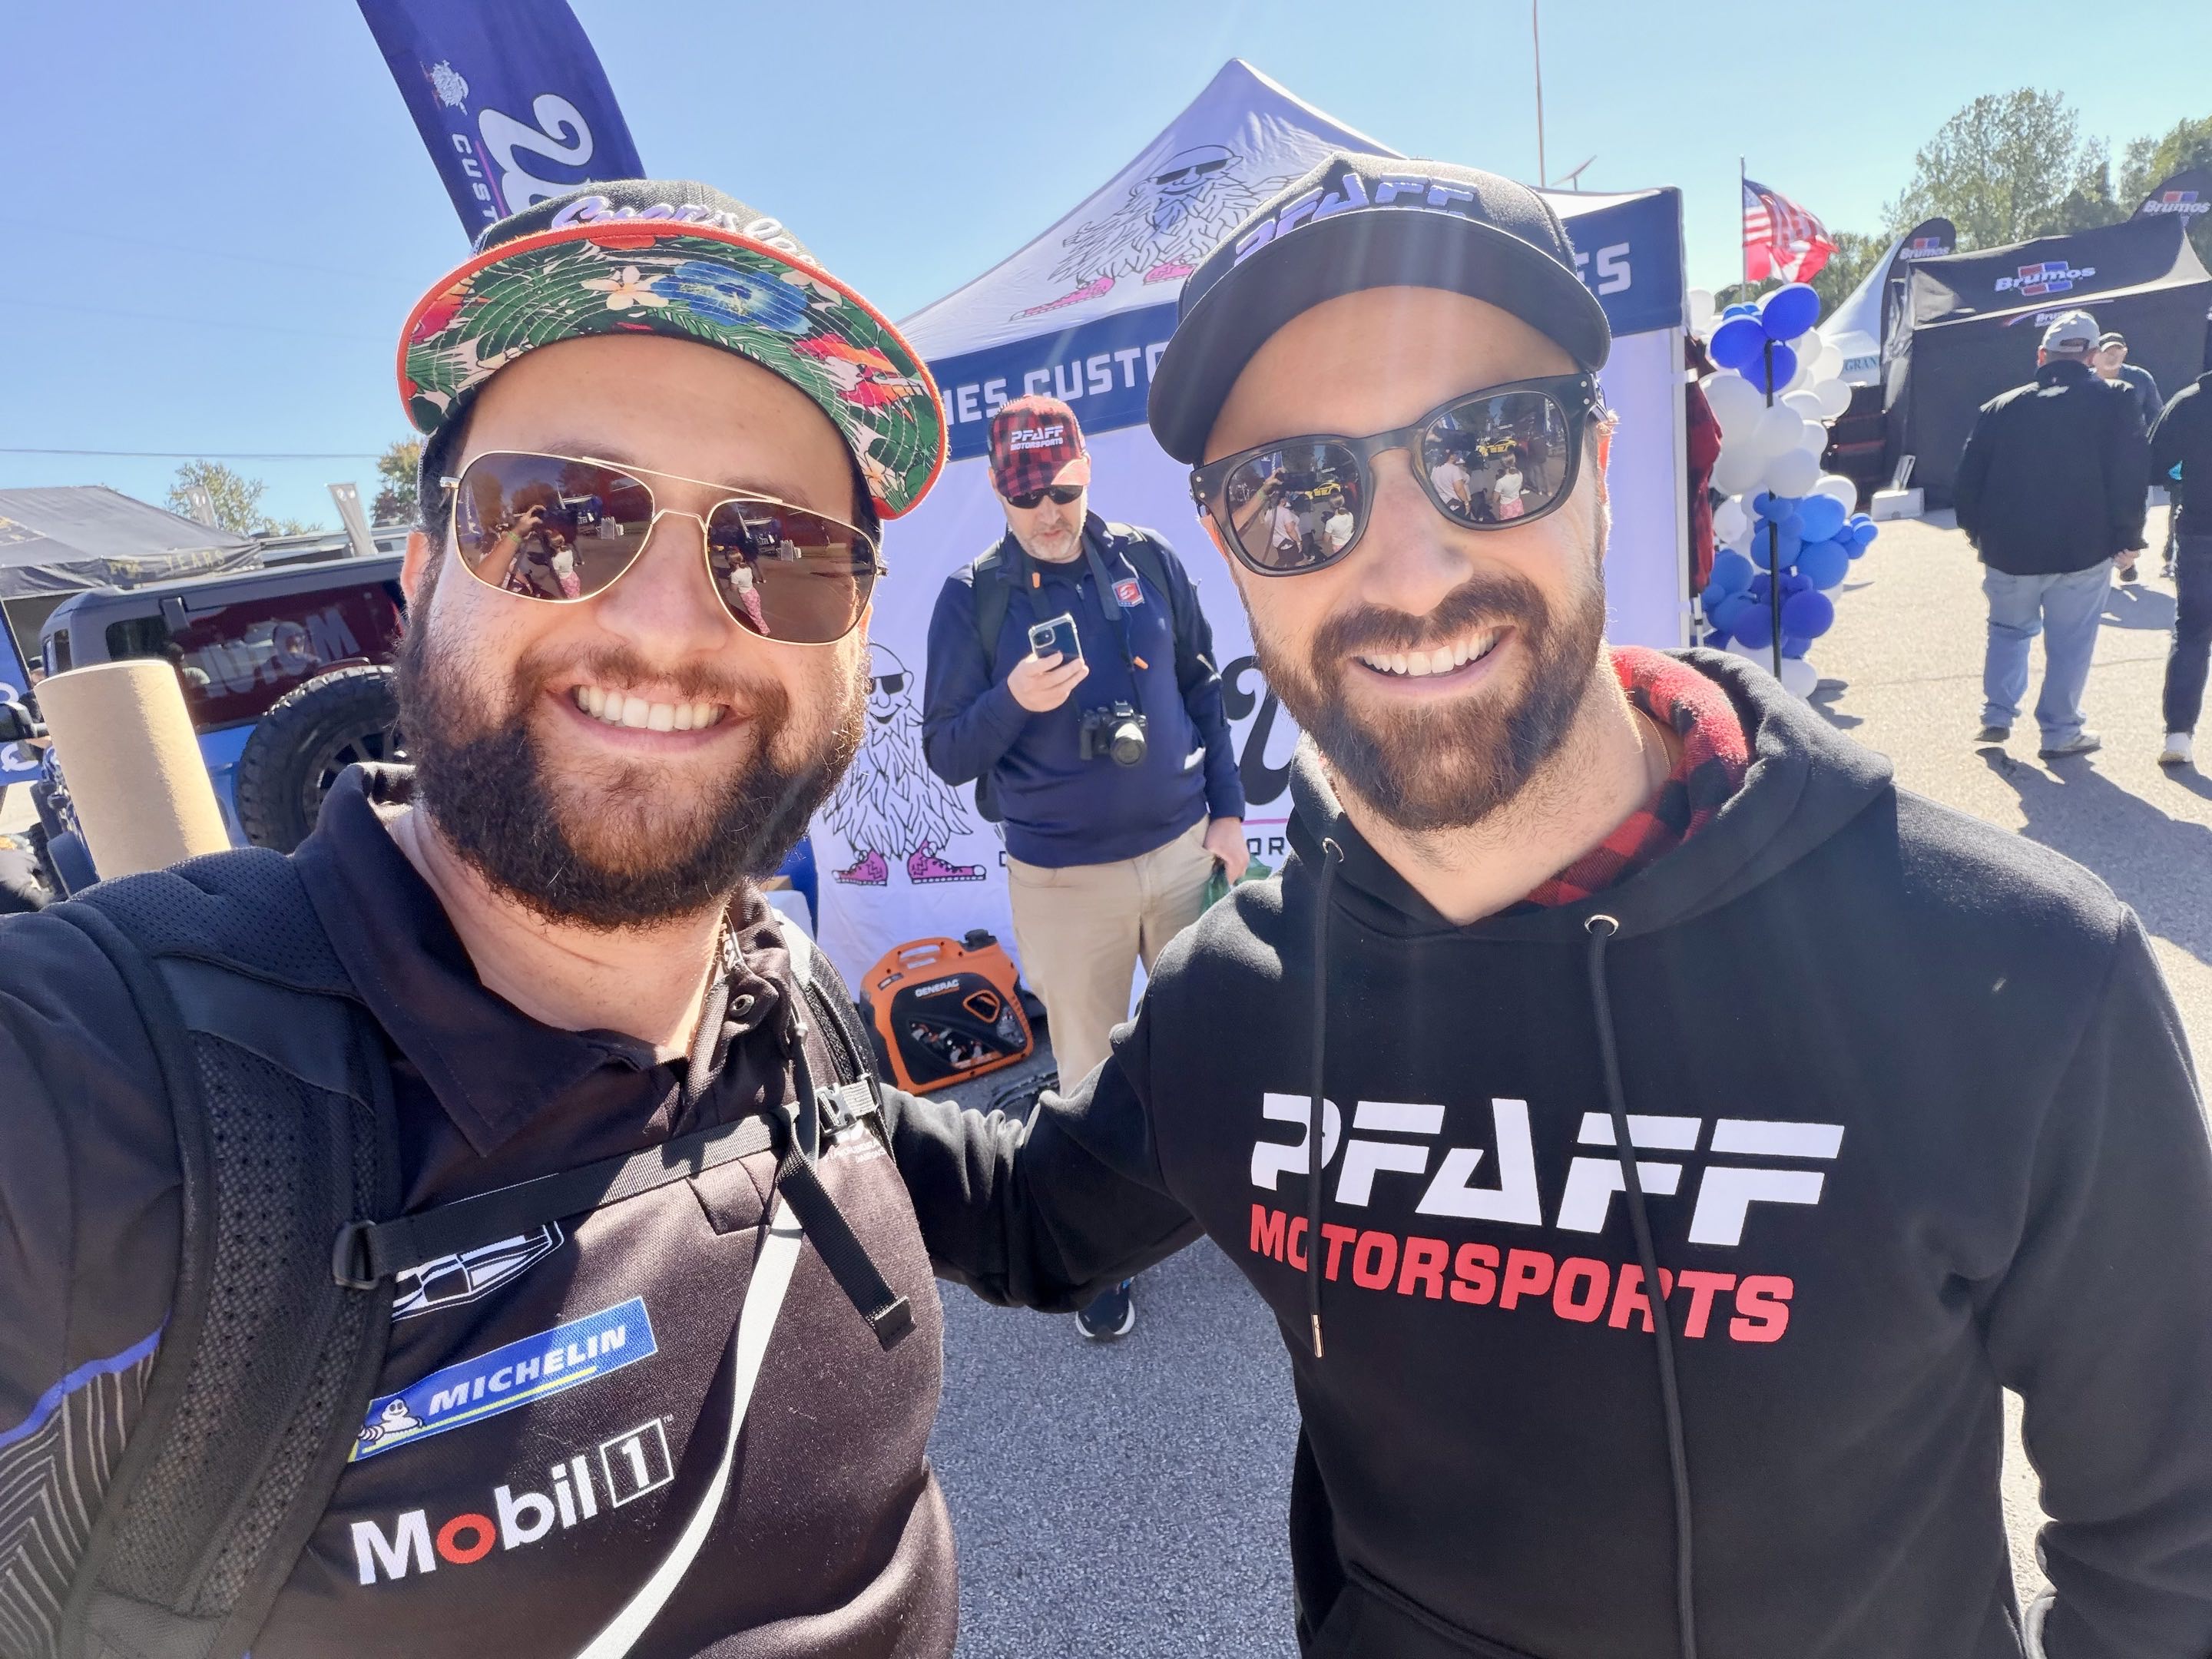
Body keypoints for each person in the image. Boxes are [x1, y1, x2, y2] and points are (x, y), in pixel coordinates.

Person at [889, 153, 2212, 1656]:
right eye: (1295, 491)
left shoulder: (2016, 970)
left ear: (1604, 458)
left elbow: (2173, 1538)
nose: (1407, 559)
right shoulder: (1232, 1002)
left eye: (1490, 445)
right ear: (1232, 553)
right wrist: (720, 1045)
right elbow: (1023, 1223)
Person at [0, 180, 971, 1657]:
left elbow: (1035, 1194)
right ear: (419, 570)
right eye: (558, 520)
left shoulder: (790, 1003)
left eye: (778, 551)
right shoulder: (102, 1091)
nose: (663, 626)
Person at [921, 394, 1244, 1343]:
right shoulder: (973, 597)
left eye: (1062, 490)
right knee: (1091, 1074)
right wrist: (1015, 700)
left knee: (1213, 1042)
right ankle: (1104, 1257)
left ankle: (1230, 1210)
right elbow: (947, 751)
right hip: (1064, 881)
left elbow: (1203, 687)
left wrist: (1227, 812)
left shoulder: (1146, 559)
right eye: (1028, 497)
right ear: (996, 487)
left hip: (1186, 851)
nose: (1050, 513)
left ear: (1087, 472)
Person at [1954, 309, 2151, 759]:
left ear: (2041, 355)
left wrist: (1977, 534)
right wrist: (2129, 537)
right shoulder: (2117, 399)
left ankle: (1997, 715)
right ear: (2093, 355)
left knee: (2007, 631)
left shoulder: (1999, 408)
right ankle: (2060, 731)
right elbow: (2129, 475)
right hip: (2082, 549)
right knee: (2070, 643)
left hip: (2009, 551)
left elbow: (1967, 484)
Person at [2152, 366, 2212, 767]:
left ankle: (2178, 734)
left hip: (2200, 529)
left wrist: (2186, 476)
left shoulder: (2188, 401)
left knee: (2192, 630)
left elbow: (2156, 464)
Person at [2097, 332, 2165, 581]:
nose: (2112, 354)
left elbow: (2158, 414)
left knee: (2137, 509)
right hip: (2096, 460)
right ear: (2096, 354)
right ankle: (2111, 563)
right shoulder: (2086, 380)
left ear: (2125, 352)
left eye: (2117, 349)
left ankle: (2126, 559)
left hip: (2133, 460)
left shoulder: (2141, 378)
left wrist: (2150, 450)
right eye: (2107, 350)